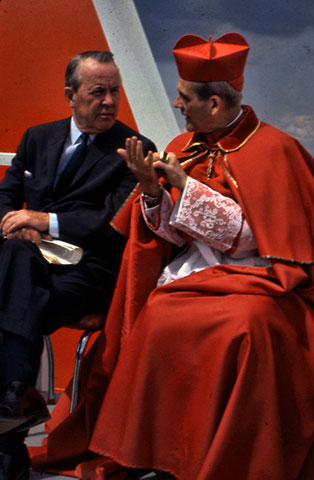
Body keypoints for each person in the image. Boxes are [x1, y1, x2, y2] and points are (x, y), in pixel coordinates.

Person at [31, 34, 314, 480]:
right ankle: (162, 454)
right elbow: (168, 234)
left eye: (184, 98)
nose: (178, 105)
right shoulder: (183, 144)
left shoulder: (274, 150)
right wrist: (150, 191)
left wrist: (185, 185)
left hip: (259, 277)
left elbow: (246, 239)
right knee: (160, 312)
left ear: (215, 103)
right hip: (197, 275)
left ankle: (225, 457)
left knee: (246, 324)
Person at [0, 50, 156, 479]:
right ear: (71, 95)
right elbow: (7, 196)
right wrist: (16, 226)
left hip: (88, 271)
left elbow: (111, 225)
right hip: (28, 265)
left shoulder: (135, 149)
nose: (108, 102)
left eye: (115, 92)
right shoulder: (37, 137)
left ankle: (11, 427)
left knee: (12, 304)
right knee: (15, 260)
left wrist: (43, 221)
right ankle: (12, 409)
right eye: (97, 92)